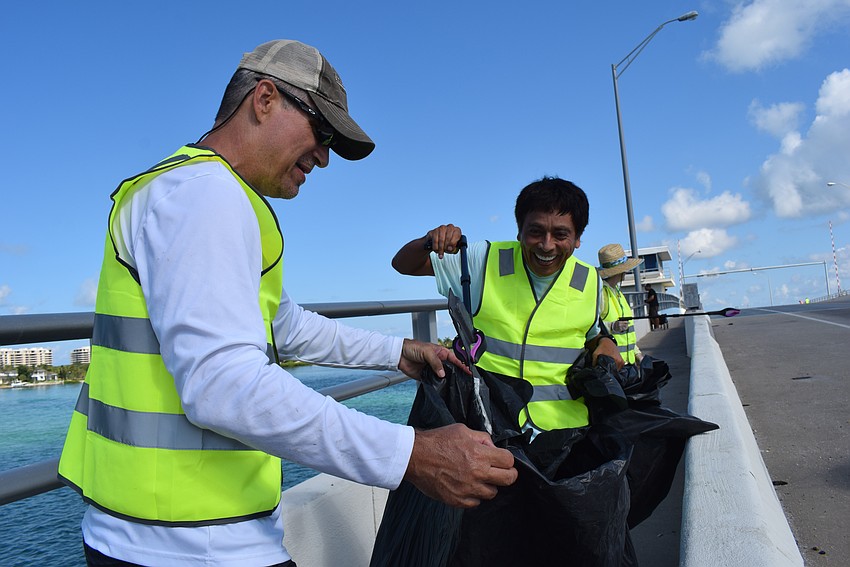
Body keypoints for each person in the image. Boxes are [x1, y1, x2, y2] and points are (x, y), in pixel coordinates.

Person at [57, 39, 517, 567]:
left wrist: (398, 353)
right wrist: (413, 454)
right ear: (265, 98)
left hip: (156, 532)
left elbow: (285, 326)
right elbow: (222, 383)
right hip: (189, 546)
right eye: (321, 133)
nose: (323, 156)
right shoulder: (206, 197)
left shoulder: (199, 192)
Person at [392, 177, 623, 434]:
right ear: (519, 231)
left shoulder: (590, 279)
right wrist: (429, 241)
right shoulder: (484, 260)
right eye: (535, 231)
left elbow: (592, 335)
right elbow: (403, 264)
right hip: (492, 430)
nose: (547, 245)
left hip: (569, 432)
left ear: (578, 238)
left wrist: (605, 342)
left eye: (560, 234)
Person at [597, 243, 644, 364]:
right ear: (621, 271)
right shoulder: (601, 293)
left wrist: (638, 354)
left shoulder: (617, 292)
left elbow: (628, 332)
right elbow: (590, 327)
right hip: (612, 365)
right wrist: (613, 326)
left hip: (627, 365)